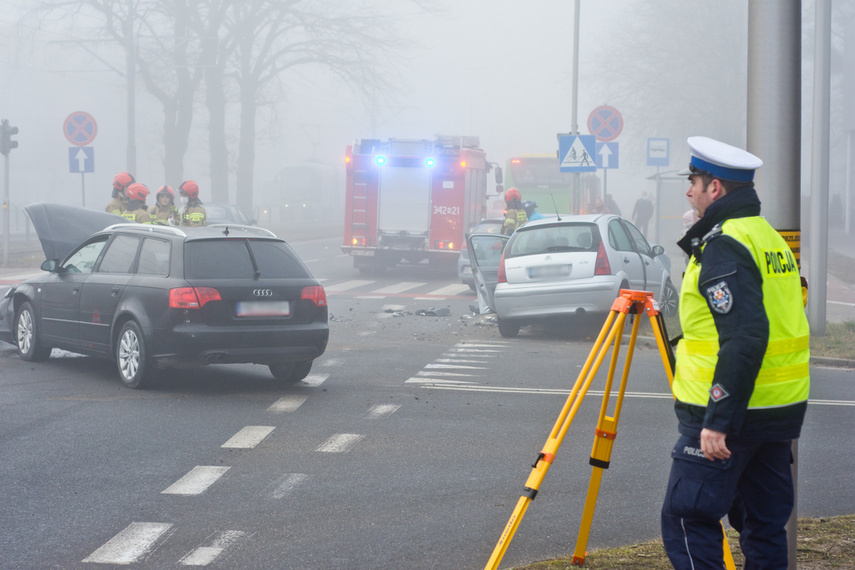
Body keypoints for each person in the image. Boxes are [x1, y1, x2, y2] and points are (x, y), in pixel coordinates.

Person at [661, 136, 810, 569]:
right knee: (763, 527)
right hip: (775, 412)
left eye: (694, 181)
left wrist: (718, 421)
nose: (689, 190)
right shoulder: (768, 237)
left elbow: (745, 335)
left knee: (687, 517)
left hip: (730, 413)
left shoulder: (725, 244)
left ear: (716, 188)